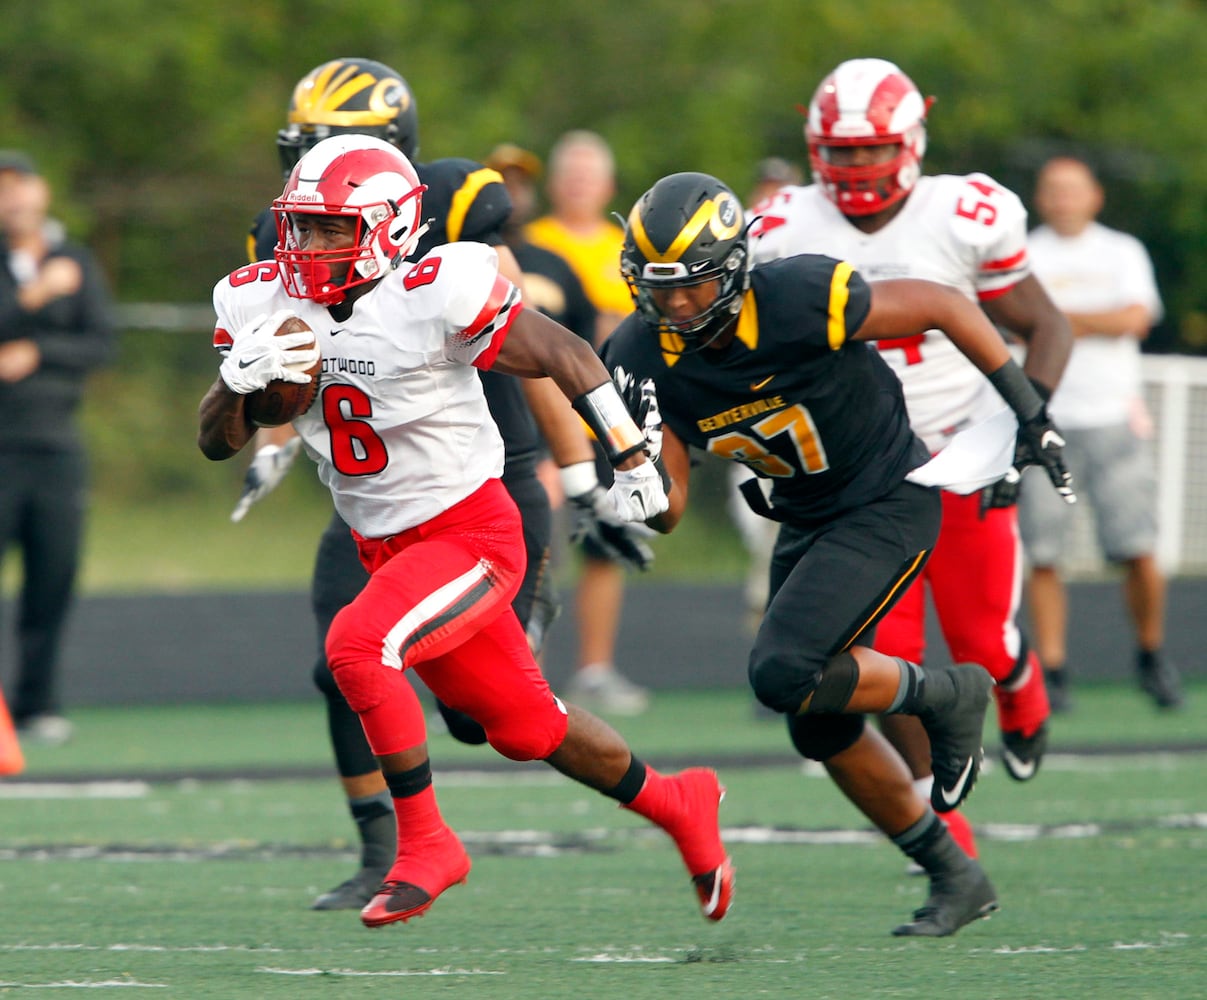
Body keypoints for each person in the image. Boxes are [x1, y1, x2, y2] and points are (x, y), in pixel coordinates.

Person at [198, 134, 734, 929]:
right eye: (300, 227)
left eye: (329, 230)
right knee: (525, 728)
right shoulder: (258, 298)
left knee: (357, 647)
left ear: (386, 226)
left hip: (471, 531)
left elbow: (564, 350)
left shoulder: (432, 289)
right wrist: (237, 387)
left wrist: (622, 452)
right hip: (382, 540)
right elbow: (219, 439)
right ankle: (679, 802)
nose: (306, 247)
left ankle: (427, 844)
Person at [602, 171, 1075, 936]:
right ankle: (955, 876)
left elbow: (946, 305)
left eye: (691, 286)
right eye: (659, 288)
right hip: (806, 515)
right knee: (814, 719)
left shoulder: (797, 297)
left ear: (732, 270)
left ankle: (946, 692)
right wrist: (628, 485)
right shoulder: (638, 350)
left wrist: (1028, 413)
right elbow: (671, 506)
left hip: (886, 495)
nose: (675, 305)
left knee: (780, 670)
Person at [747, 58, 1074, 862]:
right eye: (842, 152)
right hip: (858, 473)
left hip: (959, 445)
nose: (855, 168)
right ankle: (944, 822)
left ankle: (1019, 688)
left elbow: (1047, 326)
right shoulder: (782, 224)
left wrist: (1021, 427)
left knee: (979, 638)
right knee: (885, 656)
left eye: (870, 151)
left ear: (911, 140)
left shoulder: (963, 214)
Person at [1018, 155, 1182, 711]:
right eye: (1053, 189)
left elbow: (1135, 318)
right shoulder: (1025, 252)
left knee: (1136, 546)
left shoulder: (1121, 251)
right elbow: (1009, 320)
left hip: (1113, 416)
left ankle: (1151, 652)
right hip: (1048, 421)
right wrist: (1086, 320)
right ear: (1041, 199)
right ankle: (1055, 669)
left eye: (1073, 189)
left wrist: (1060, 321)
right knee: (1042, 552)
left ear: (1094, 196)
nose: (1063, 200)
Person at [524, 130, 651, 715]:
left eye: (588, 174)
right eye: (568, 173)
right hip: (545, 403)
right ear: (554, 183)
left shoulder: (629, 242)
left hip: (615, 406)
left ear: (608, 185)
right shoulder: (529, 244)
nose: (577, 184)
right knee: (539, 535)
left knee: (606, 536)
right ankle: (528, 671)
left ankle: (595, 669)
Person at [0, 151, 115, 746]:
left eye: (20, 186)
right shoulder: (34, 274)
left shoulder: (74, 260)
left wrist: (38, 353)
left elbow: (101, 341)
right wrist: (36, 299)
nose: (12, 199)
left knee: (52, 580)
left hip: (56, 448)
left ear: (41, 192)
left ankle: (36, 704)